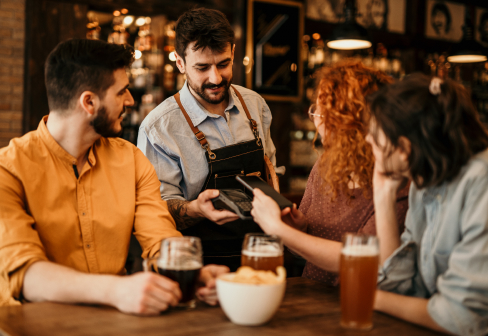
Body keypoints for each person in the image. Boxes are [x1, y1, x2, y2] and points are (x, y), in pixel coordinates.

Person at [0, 39, 227, 313]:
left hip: (116, 321)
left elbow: (160, 239)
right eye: (121, 92)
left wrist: (194, 273)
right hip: (36, 324)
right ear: (89, 102)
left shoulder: (130, 160)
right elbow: (25, 274)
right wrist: (117, 290)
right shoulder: (9, 168)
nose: (130, 101)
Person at [137, 8, 283, 270]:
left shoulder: (255, 105)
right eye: (202, 68)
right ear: (180, 63)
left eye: (224, 64)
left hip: (261, 255)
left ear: (233, 53)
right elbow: (155, 213)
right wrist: (194, 209)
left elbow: (271, 172)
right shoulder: (159, 127)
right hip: (200, 267)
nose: (215, 78)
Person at [250, 60, 408, 285]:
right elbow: (300, 251)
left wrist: (278, 229)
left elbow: (365, 259)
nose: (315, 120)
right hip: (312, 300)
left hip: (358, 306)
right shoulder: (326, 165)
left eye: (323, 113)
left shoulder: (395, 180)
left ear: (351, 121)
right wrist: (299, 228)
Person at [367, 74, 488, 335]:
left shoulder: (481, 182)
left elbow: (464, 318)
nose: (368, 140)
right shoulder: (425, 181)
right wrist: (382, 195)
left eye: (376, 133)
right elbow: (404, 287)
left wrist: (370, 299)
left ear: (404, 150)